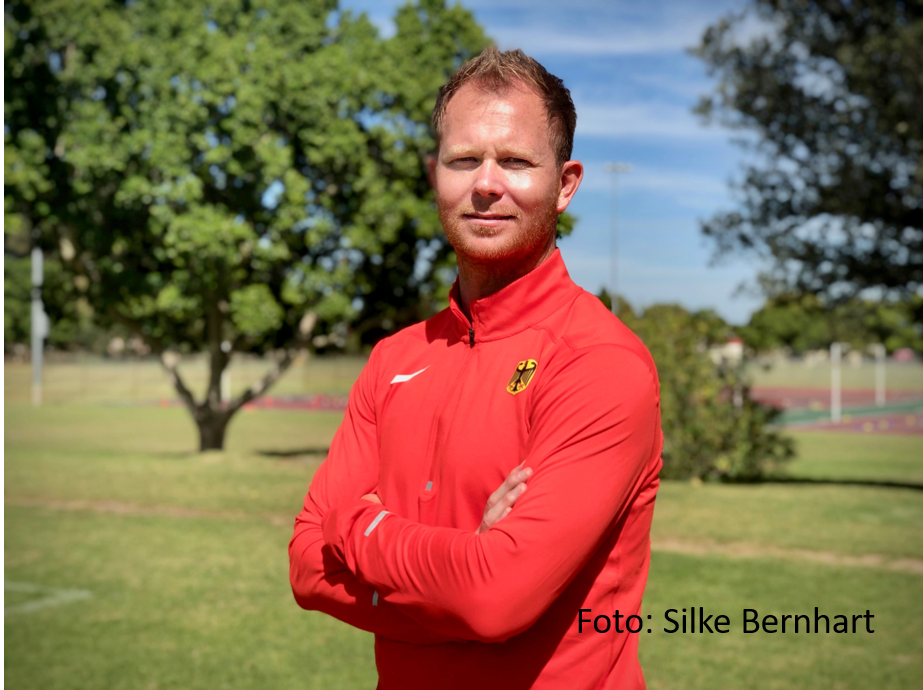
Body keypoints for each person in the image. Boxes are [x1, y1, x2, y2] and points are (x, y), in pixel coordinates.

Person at [289, 47, 663, 690]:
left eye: (515, 161)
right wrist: (462, 575)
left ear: (565, 184)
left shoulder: (600, 364)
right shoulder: (394, 358)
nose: (486, 183)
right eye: (464, 160)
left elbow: (494, 600)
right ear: (435, 173)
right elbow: (306, 568)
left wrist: (357, 525)